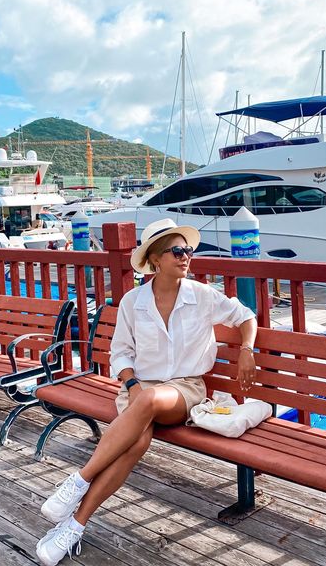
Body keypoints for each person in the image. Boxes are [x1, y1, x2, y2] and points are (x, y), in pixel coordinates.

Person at [35, 218, 257, 566]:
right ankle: (74, 525)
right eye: (177, 250)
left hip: (184, 389)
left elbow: (245, 316)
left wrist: (246, 349)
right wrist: (133, 384)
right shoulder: (133, 302)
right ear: (155, 259)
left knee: (150, 402)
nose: (186, 256)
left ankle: (79, 479)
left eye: (188, 250)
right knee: (135, 442)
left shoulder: (202, 295)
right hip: (139, 389)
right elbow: (121, 353)